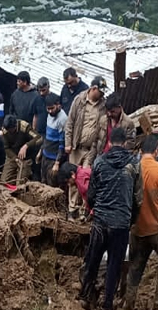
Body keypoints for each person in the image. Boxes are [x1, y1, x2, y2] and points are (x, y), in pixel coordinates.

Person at [81, 127, 136, 310]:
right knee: (114, 264)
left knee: (93, 259)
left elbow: (91, 194)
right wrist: (130, 218)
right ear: (126, 143)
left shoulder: (99, 162)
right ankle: (106, 306)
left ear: (110, 142)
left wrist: (95, 209)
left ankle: (85, 297)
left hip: (101, 220)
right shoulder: (134, 164)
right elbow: (138, 197)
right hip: (121, 223)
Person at [124, 135, 158, 310]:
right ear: (156, 151)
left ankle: (129, 303)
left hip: (137, 228)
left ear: (140, 151)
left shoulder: (132, 169)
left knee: (135, 266)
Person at [64, 76, 108, 220]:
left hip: (91, 149)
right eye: (100, 91)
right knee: (72, 180)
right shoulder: (79, 100)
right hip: (77, 147)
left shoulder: (103, 105)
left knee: (86, 180)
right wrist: (68, 143)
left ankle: (84, 211)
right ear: (93, 89)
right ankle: (72, 210)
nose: (102, 94)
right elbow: (70, 122)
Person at [1, 115, 42, 186]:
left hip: (26, 158)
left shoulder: (24, 127)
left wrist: (26, 146)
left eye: (11, 130)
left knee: (20, 184)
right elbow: (6, 148)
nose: (10, 132)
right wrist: (15, 158)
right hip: (12, 155)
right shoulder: (5, 130)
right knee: (4, 181)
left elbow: (39, 138)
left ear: (15, 126)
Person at [39, 93, 68, 186]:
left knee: (51, 185)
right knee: (43, 182)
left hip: (54, 158)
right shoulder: (49, 115)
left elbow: (62, 143)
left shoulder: (62, 119)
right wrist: (41, 151)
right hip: (45, 154)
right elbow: (47, 135)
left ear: (58, 105)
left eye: (52, 108)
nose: (50, 111)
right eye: (48, 109)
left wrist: (57, 163)